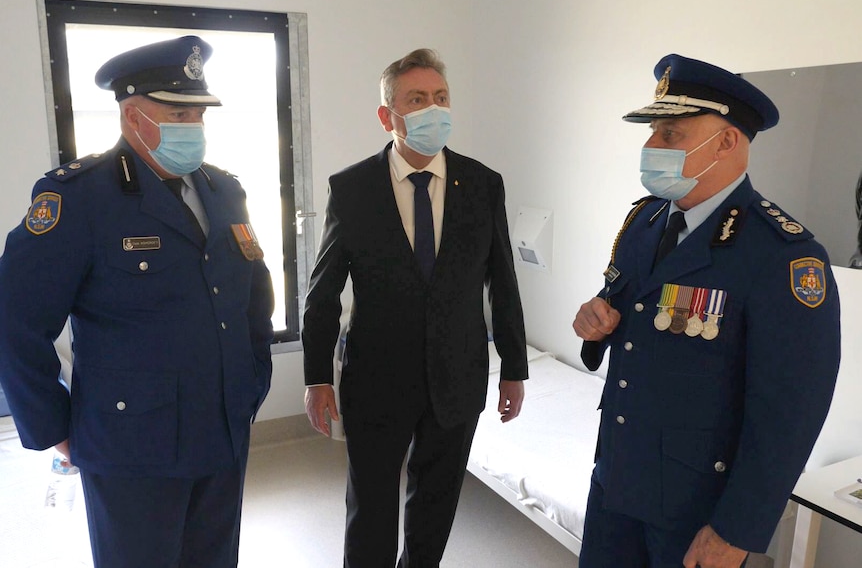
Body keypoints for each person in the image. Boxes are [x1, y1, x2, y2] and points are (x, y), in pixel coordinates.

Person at [0, 36, 274, 568]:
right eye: (178, 112)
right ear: (133, 117)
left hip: (221, 428)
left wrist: (253, 378)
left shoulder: (224, 190)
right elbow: (14, 320)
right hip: (131, 441)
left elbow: (252, 298)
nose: (192, 126)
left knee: (214, 559)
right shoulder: (80, 199)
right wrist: (54, 426)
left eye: (198, 114)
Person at [572, 54, 841, 568]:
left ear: (726, 142)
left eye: (670, 134)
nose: (651, 146)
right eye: (653, 132)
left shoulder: (783, 257)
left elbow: (790, 414)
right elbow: (628, 319)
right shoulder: (644, 223)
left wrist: (735, 530)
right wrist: (595, 325)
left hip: (695, 508)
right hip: (616, 480)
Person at [302, 48, 528, 567]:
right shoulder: (353, 188)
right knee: (371, 510)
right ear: (388, 115)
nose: (433, 108)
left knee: (435, 506)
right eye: (417, 99)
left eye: (440, 97)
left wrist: (514, 369)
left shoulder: (483, 184)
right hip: (376, 379)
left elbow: (503, 282)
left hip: (457, 375)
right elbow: (323, 293)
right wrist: (317, 378)